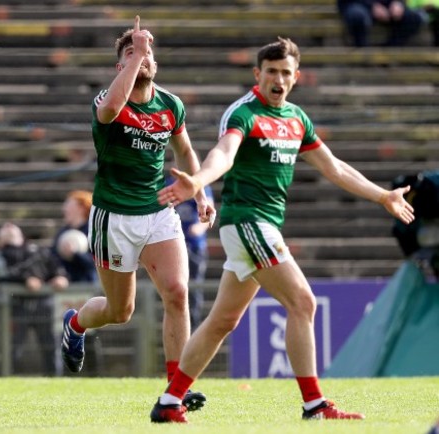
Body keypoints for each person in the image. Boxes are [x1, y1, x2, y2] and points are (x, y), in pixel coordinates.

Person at [150, 37, 415, 423]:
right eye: (270, 71)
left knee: (224, 321)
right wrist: (198, 181)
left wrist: (382, 196)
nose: (278, 78)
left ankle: (170, 401)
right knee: (302, 302)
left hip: (262, 227)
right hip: (247, 222)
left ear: (296, 78)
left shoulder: (297, 119)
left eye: (285, 73)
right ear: (257, 74)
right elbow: (224, 152)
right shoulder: (244, 112)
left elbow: (334, 167)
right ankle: (315, 405)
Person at [59, 15, 216, 413]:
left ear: (156, 65)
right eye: (131, 53)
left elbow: (184, 152)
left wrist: (198, 190)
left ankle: (175, 390)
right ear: (120, 66)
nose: (142, 57)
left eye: (147, 54)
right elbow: (111, 107)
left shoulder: (170, 105)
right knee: (120, 311)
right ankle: (75, 324)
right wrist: (136, 55)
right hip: (114, 216)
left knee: (177, 293)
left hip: (159, 210)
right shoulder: (106, 99)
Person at [0, 222, 69, 375]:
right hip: (16, 306)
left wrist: (61, 278)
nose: (9, 227)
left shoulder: (39, 251)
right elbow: (2, 275)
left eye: (12, 227)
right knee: (12, 348)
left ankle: (55, 381)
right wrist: (25, 280)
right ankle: (6, 381)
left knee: (51, 347)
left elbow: (57, 269)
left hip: (45, 304)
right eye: (4, 229)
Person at [166, 176, 214, 330]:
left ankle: (193, 323)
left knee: (193, 286)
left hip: (194, 246)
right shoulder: (168, 184)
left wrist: (198, 229)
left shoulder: (201, 185)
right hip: (173, 243)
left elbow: (208, 209)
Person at [52, 190, 97, 284]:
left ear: (81, 208)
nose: (64, 209)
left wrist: (76, 253)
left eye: (68, 205)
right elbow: (53, 256)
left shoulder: (94, 232)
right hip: (65, 285)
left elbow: (98, 262)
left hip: (87, 284)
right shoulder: (62, 232)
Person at [337, 0, 425, 47]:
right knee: (357, 16)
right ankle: (362, 52)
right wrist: (372, 6)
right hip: (358, 5)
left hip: (387, 7)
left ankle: (390, 49)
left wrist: (398, 3)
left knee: (415, 18)